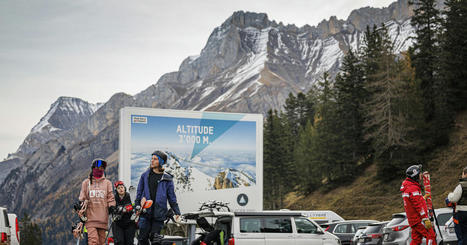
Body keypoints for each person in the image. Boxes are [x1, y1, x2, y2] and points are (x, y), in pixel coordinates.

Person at [135, 150, 181, 245]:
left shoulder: (167, 179)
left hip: (159, 215)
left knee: (155, 240)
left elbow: (172, 198)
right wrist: (137, 206)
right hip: (145, 213)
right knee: (142, 239)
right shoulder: (145, 176)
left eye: (155, 159)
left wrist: (177, 212)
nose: (152, 161)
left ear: (161, 162)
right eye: (151, 158)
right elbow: (139, 193)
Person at [79, 158, 116, 245]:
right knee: (93, 241)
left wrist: (112, 206)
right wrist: (80, 204)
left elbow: (111, 197)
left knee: (101, 243)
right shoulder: (86, 183)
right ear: (93, 168)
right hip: (90, 218)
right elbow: (82, 198)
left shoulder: (107, 183)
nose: (100, 169)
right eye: (97, 167)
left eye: (102, 168)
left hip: (103, 218)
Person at [400, 164, 437, 245]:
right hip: (418, 219)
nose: (421, 174)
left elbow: (413, 201)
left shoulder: (409, 186)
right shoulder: (412, 188)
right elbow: (417, 205)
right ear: (415, 175)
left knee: (416, 240)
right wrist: (425, 218)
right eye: (419, 173)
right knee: (431, 236)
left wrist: (422, 198)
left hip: (414, 220)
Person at [447, 166, 467, 245]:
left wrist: (449, 195)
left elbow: (454, 199)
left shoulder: (461, 185)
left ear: (465, 174)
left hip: (462, 213)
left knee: (462, 235)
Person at [112, 180, 137, 245]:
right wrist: (117, 209)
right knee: (119, 242)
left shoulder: (130, 197)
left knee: (129, 242)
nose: (121, 189)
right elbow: (110, 209)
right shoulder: (114, 198)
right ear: (116, 190)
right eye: (118, 188)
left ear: (124, 188)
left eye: (122, 187)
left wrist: (130, 209)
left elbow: (135, 207)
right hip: (118, 223)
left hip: (129, 223)